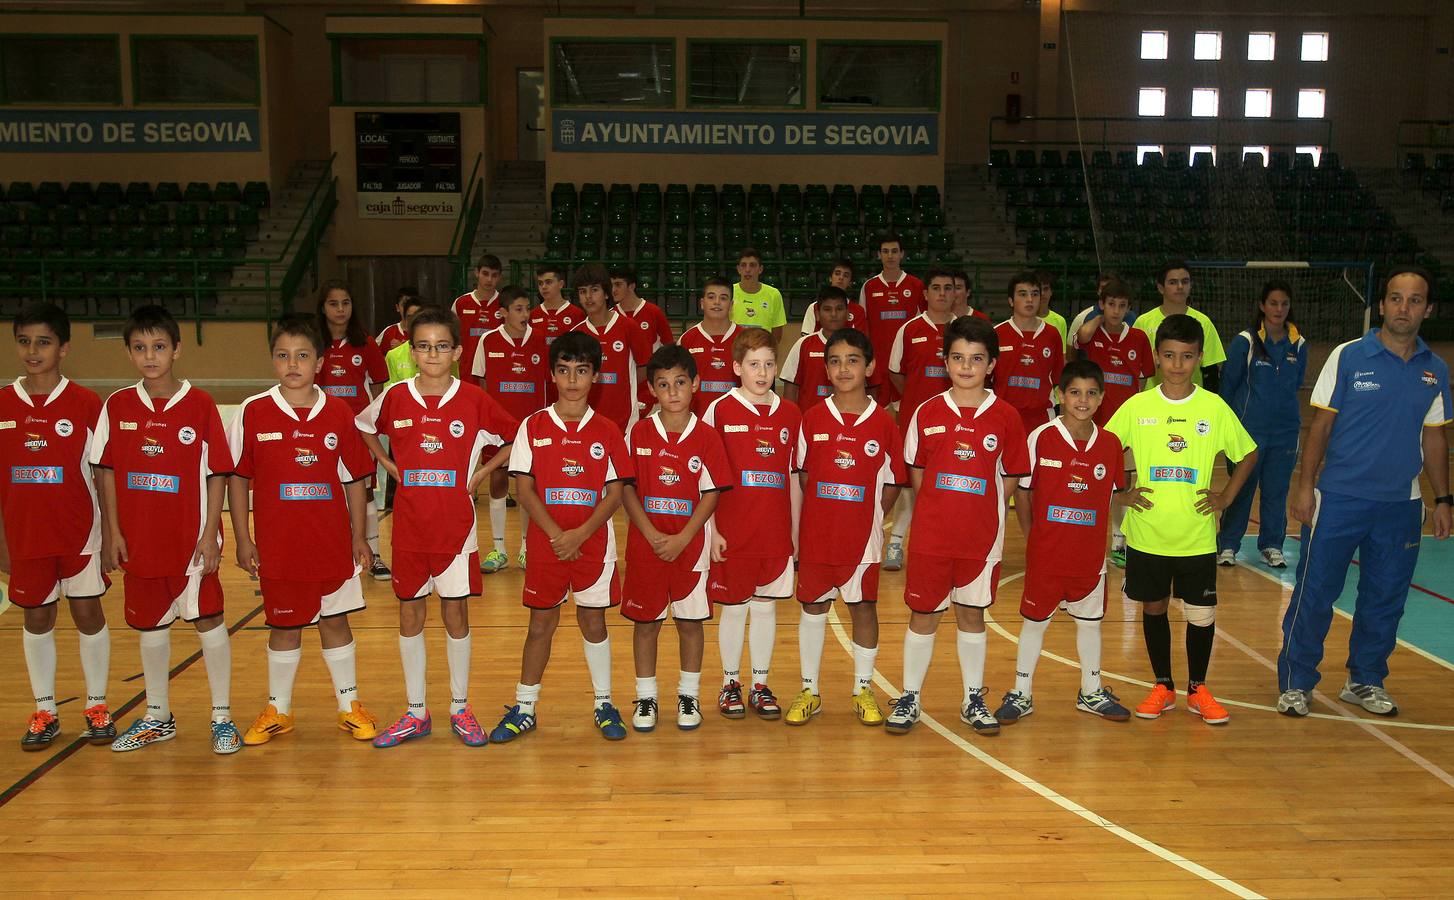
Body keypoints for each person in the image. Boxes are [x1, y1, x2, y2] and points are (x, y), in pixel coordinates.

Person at [1276, 266, 1451, 719]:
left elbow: (1435, 437)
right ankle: (1296, 683)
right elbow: (1321, 425)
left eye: (1414, 301)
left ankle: (1365, 679)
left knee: (1386, 597)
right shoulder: (1349, 356)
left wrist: (1443, 499)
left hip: (1401, 505)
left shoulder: (1435, 370)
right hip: (1339, 498)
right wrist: (1305, 485)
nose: (1404, 308)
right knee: (1315, 592)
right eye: (1396, 298)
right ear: (1382, 305)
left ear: (1427, 309)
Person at [356, 308, 518, 748]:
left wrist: (481, 476)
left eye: (441, 345)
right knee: (410, 613)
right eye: (423, 345)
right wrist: (388, 462)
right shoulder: (394, 396)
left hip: (456, 529)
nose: (432, 353)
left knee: (455, 612)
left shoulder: (473, 399)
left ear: (458, 352)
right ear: (412, 349)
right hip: (409, 528)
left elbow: (514, 436)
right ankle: (415, 712)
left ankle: (460, 707)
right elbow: (364, 426)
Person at [92, 305, 239, 754]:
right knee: (150, 627)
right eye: (139, 348)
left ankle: (221, 716)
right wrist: (112, 533)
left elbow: (218, 474)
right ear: (129, 353)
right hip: (139, 540)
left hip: (190, 542)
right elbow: (106, 471)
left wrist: (211, 533)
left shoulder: (199, 404)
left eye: (158, 347)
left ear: (176, 349)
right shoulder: (116, 405)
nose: (149, 356)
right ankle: (158, 715)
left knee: (209, 621)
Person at [227, 315, 380, 746]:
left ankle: (349, 705)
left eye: (302, 355)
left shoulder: (336, 412)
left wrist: (358, 538)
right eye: (282, 355)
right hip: (279, 547)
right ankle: (279, 708)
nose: (292, 363)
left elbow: (353, 480)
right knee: (284, 626)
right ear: (272, 360)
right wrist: (243, 538)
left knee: (335, 620)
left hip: (331, 543)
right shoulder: (253, 411)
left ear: (320, 362)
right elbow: (238, 477)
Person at [1106, 313, 1257, 726]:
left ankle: (1198, 689)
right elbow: (1102, 449)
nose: (1177, 365)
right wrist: (1121, 492)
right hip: (1148, 532)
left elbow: (1248, 453)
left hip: (1197, 534)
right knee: (1153, 606)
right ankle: (1161, 685)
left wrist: (1226, 496)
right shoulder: (1138, 407)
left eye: (1186, 356)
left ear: (1199, 357)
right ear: (1156, 357)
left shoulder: (1213, 407)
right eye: (1169, 355)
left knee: (1200, 613)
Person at [887, 316, 1029, 737]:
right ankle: (910, 696)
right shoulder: (926, 413)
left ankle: (972, 698)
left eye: (976, 359)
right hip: (932, 538)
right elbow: (917, 472)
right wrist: (938, 508)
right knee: (923, 615)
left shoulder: (1006, 416)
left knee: (971, 615)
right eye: (958, 358)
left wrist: (987, 508)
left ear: (991, 365)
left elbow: (1011, 475)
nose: (966, 366)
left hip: (980, 540)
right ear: (945, 362)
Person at [491, 331, 634, 743]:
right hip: (547, 545)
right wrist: (558, 535)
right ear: (553, 374)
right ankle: (524, 706)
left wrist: (582, 534)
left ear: (596, 377)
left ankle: (604, 702)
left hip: (593, 545)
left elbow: (616, 492)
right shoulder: (532, 426)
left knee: (594, 621)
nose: (573, 379)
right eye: (565, 370)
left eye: (582, 371)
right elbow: (524, 488)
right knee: (540, 625)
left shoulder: (607, 430)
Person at [0, 303, 113, 750]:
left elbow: (104, 476)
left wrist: (110, 537)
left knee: (88, 613)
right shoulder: (3, 403)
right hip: (24, 537)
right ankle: (45, 708)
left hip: (81, 536)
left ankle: (98, 705)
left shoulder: (87, 404)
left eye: (43, 341)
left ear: (63, 348)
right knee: (37, 616)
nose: (33, 350)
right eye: (25, 341)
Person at [996, 360, 1132, 725]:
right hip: (1047, 554)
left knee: (1089, 624)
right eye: (1074, 392)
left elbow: (1112, 494)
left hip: (1089, 558)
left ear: (1102, 397)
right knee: (1035, 622)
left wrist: (1131, 501)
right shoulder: (1040, 437)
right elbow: (1023, 495)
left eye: (1090, 393)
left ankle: (1091, 690)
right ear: (1059, 395)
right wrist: (1032, 537)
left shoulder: (1110, 444)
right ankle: (1021, 692)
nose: (1082, 400)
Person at [790, 327, 903, 727]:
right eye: (835, 361)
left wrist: (872, 513)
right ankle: (809, 689)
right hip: (818, 536)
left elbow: (892, 481)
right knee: (813, 607)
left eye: (852, 360)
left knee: (863, 607)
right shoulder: (812, 419)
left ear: (870, 367)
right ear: (825, 369)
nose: (843, 368)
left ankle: (863, 688)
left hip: (863, 539)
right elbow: (805, 476)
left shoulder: (885, 423)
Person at [622, 345, 730, 732]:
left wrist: (685, 536)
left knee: (690, 623)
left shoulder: (707, 436)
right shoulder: (638, 432)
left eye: (680, 383)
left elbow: (712, 492)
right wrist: (651, 533)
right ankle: (646, 697)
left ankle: (689, 695)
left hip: (691, 547)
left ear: (695, 384)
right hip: (646, 545)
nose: (672, 392)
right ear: (651, 389)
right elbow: (627, 488)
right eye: (663, 384)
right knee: (646, 623)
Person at [703, 328, 801, 720]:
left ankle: (760, 684)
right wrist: (712, 530)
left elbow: (793, 476)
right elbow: (705, 476)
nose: (762, 373)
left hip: (774, 530)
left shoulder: (791, 414)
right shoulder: (719, 410)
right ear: (736, 368)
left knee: (765, 608)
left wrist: (793, 534)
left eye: (768, 364)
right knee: (735, 607)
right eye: (753, 365)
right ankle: (730, 683)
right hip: (732, 529)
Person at [1215, 281, 1307, 569]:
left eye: (1284, 304)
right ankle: (1228, 545)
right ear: (1262, 306)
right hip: (1249, 432)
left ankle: (1271, 545)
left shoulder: (1299, 344)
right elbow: (1228, 387)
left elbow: (1298, 382)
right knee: (1241, 489)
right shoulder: (1246, 341)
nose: (1279, 309)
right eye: (1273, 303)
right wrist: (1228, 430)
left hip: (1285, 432)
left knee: (1277, 490)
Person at [1072, 277, 1155, 567]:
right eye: (1111, 305)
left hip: (1127, 425)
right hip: (1094, 423)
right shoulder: (1094, 333)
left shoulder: (1139, 338)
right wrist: (1098, 317)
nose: (1116, 311)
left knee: (1123, 482)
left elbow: (1144, 376)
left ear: (1129, 308)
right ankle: (1086, 538)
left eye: (1122, 306)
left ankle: (1119, 540)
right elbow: (1081, 338)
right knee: (1088, 479)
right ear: (1102, 305)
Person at [315, 278, 391, 581]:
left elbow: (377, 386)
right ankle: (331, 552)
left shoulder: (366, 343)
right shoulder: (313, 343)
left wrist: (367, 422)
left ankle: (374, 556)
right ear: (323, 308)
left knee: (364, 490)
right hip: (322, 432)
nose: (340, 309)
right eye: (333, 303)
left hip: (357, 431)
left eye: (345, 303)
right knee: (327, 491)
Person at [883, 267, 957, 572]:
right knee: (911, 486)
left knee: (949, 486)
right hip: (916, 422)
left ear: (956, 292)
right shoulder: (909, 330)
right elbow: (896, 373)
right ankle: (897, 542)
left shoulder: (965, 330)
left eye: (948, 287)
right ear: (925, 294)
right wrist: (916, 401)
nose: (942, 293)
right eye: (936, 287)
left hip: (957, 424)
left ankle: (945, 547)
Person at [471, 285, 548, 574]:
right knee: (498, 482)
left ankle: (527, 548)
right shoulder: (488, 341)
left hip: (532, 428)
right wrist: (492, 422)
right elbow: (482, 384)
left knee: (529, 486)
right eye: (518, 309)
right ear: (502, 313)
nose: (525, 314)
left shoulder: (540, 340)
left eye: (528, 308)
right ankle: (499, 548)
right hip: (500, 430)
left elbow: (547, 384)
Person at [569, 263, 651, 433]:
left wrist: (624, 384)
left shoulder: (628, 326)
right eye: (583, 291)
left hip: (626, 419)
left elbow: (645, 366)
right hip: (586, 419)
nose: (588, 297)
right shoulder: (576, 334)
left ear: (607, 293)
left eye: (594, 290)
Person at [1135, 261, 1226, 390]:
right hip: (1152, 402)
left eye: (1185, 281)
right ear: (1161, 288)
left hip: (1191, 402)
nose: (1180, 286)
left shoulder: (1203, 322)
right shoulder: (1143, 322)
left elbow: (1210, 370)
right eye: (1173, 282)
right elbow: (1134, 367)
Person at [859, 233, 926, 405]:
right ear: (878, 255)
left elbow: (925, 323)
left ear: (902, 254)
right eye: (885, 251)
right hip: (877, 362)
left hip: (906, 362)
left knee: (905, 407)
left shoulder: (916, 285)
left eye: (894, 251)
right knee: (875, 409)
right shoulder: (869, 287)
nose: (890, 256)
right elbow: (861, 327)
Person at [995, 271, 1065, 436]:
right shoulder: (996, 333)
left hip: (1041, 418)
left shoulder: (1052, 334)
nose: (1030, 299)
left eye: (1035, 294)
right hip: (1003, 416)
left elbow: (1058, 380)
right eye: (1023, 294)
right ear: (1011, 301)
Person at [612, 266, 676, 413]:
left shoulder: (653, 312)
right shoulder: (611, 315)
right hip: (621, 388)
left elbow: (670, 350)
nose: (613, 289)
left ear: (632, 286)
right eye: (611, 285)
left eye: (618, 284)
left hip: (650, 389)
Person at [678, 276, 740, 416]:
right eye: (711, 297)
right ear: (702, 303)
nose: (717, 302)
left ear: (731, 305)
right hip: (696, 420)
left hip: (736, 421)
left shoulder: (745, 339)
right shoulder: (687, 340)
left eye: (723, 298)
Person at [780, 285, 847, 412]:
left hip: (847, 423)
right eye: (827, 309)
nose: (834, 314)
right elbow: (790, 388)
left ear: (847, 313)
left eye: (839, 309)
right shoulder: (803, 344)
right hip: (809, 423)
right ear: (817, 314)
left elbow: (869, 388)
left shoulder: (857, 345)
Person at [452, 254, 504, 387]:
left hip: (496, 371)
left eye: (494, 275)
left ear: (499, 277)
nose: (489, 279)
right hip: (466, 371)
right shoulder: (461, 303)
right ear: (476, 273)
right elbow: (450, 335)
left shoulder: (505, 304)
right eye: (485, 274)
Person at [729, 247, 787, 344]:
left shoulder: (773, 294)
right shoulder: (728, 292)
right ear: (738, 269)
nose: (747, 270)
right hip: (735, 352)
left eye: (752, 265)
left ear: (760, 269)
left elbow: (777, 335)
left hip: (762, 354)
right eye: (743, 265)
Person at [798, 258, 865, 336]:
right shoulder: (814, 307)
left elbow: (860, 342)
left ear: (850, 282)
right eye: (837, 273)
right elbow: (806, 338)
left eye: (846, 275)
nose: (841, 278)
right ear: (830, 278)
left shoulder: (858, 311)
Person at [530, 263, 583, 346]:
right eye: (540, 283)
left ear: (561, 284)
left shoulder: (577, 314)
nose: (544, 287)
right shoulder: (533, 314)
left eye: (548, 282)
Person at [383, 296, 431, 386]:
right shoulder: (393, 356)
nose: (414, 322)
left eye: (419, 317)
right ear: (404, 321)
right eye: (410, 317)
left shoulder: (443, 355)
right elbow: (388, 393)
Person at [376, 285, 417, 354]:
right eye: (404, 304)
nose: (408, 309)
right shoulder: (389, 332)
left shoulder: (426, 331)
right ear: (397, 307)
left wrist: (401, 348)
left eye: (411, 304)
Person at [1034, 270, 1069, 346]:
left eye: (1046, 289)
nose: (1042, 293)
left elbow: (1061, 356)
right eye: (1039, 290)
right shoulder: (1024, 320)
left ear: (1051, 292)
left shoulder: (1060, 321)